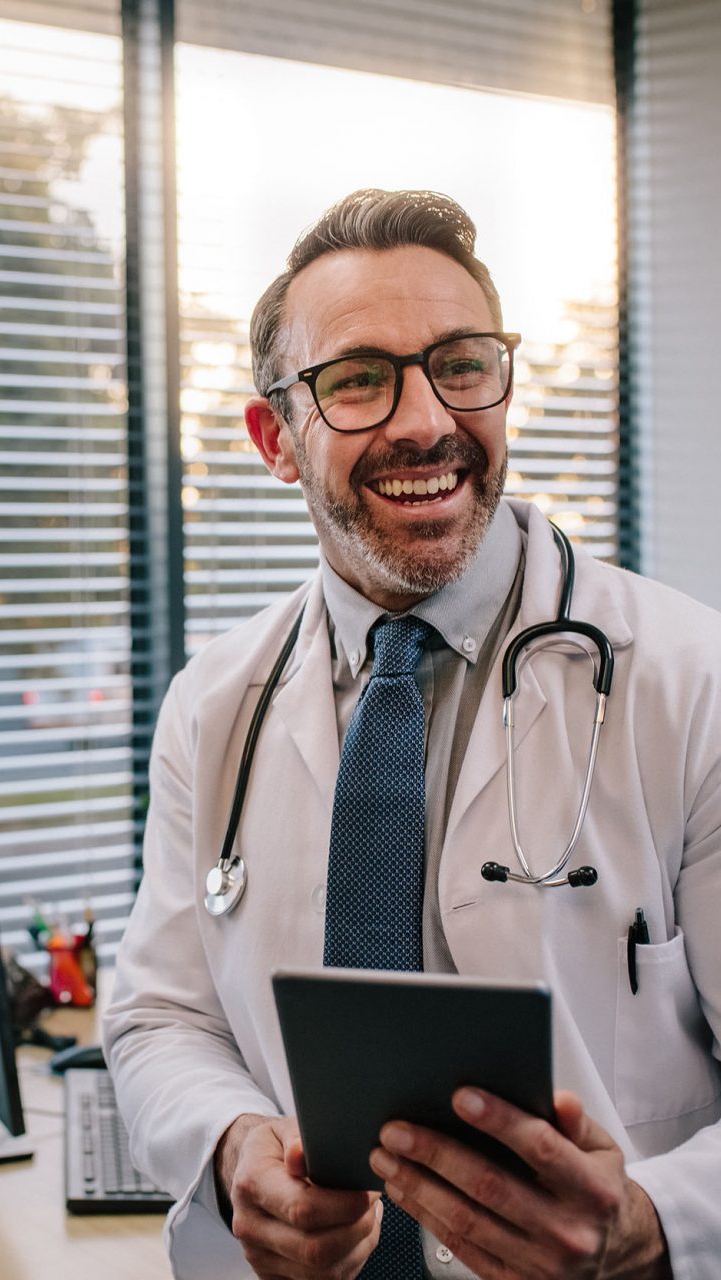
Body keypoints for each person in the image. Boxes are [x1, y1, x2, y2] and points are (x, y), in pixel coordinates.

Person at [102, 189, 721, 1280]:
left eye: (462, 362)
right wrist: (231, 1142)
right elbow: (159, 1014)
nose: (425, 419)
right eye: (356, 381)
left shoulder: (688, 680)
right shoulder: (215, 701)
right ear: (273, 437)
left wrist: (655, 1218)